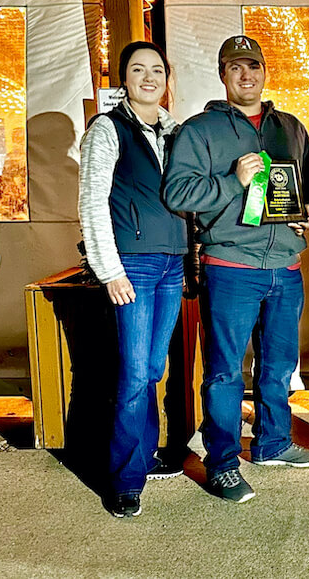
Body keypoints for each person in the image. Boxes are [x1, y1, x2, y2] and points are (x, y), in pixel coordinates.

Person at [163, 34, 309, 504]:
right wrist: (233, 181)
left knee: (277, 366)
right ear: (222, 75)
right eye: (235, 67)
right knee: (225, 371)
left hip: (285, 266)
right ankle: (223, 462)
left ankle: (272, 442)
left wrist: (308, 210)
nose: (246, 75)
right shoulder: (200, 131)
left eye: (253, 66)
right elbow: (178, 194)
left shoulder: (290, 127)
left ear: (265, 72)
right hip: (230, 266)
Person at [78, 41, 188, 518]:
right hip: (135, 267)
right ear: (123, 78)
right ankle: (125, 479)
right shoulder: (107, 129)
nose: (149, 77)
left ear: (168, 79)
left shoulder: (175, 131)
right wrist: (110, 270)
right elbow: (92, 203)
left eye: (157, 70)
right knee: (133, 373)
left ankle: (144, 455)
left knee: (153, 369)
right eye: (138, 69)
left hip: (172, 264)